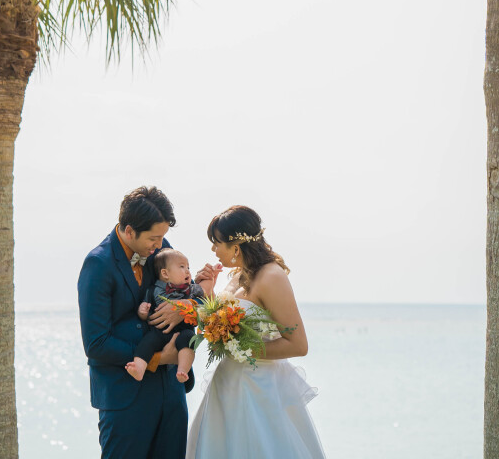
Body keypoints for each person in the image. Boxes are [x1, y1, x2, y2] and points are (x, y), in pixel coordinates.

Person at [187, 205, 327, 459]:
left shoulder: (272, 277)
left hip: (257, 392)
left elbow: (298, 345)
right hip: (226, 386)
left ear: (236, 246)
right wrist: (206, 290)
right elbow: (209, 330)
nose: (212, 250)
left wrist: (242, 348)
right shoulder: (236, 276)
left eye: (216, 243)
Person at [77, 186, 208, 459]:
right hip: (125, 397)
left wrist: (185, 309)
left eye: (162, 237)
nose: (159, 245)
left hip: (171, 391)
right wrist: (157, 357)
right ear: (128, 231)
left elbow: (196, 298)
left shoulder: (163, 250)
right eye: (153, 238)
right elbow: (96, 343)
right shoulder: (98, 264)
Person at [127, 249, 205, 384]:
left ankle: (182, 370)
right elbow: (145, 309)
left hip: (183, 331)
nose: (187, 271)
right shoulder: (152, 290)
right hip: (159, 331)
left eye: (188, 267)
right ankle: (139, 368)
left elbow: (204, 302)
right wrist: (142, 312)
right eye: (182, 267)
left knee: (189, 341)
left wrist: (188, 304)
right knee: (147, 342)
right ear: (165, 273)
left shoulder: (192, 289)